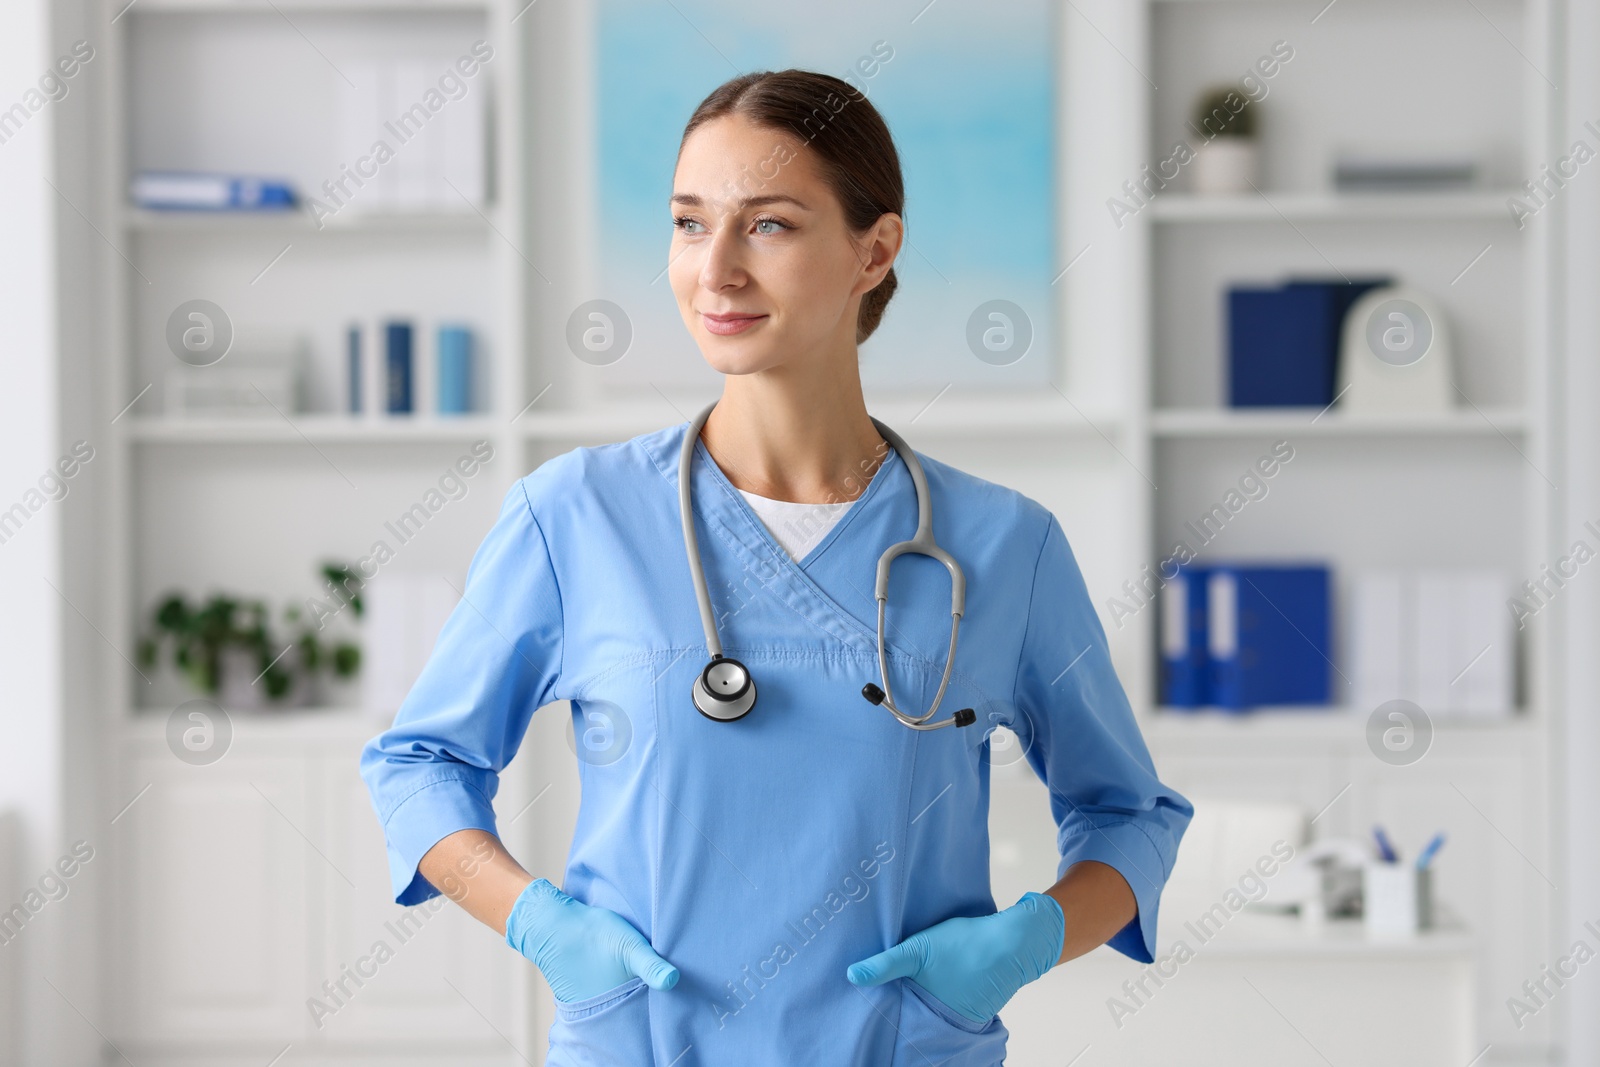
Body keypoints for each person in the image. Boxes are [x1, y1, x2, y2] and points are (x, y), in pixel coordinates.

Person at [359, 68, 1193, 1065]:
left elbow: (1129, 815)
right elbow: (418, 765)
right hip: (643, 1044)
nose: (714, 270)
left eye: (769, 226)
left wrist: (1024, 941)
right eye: (686, 222)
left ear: (873, 250)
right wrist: (548, 928)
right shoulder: (575, 517)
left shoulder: (1003, 545)